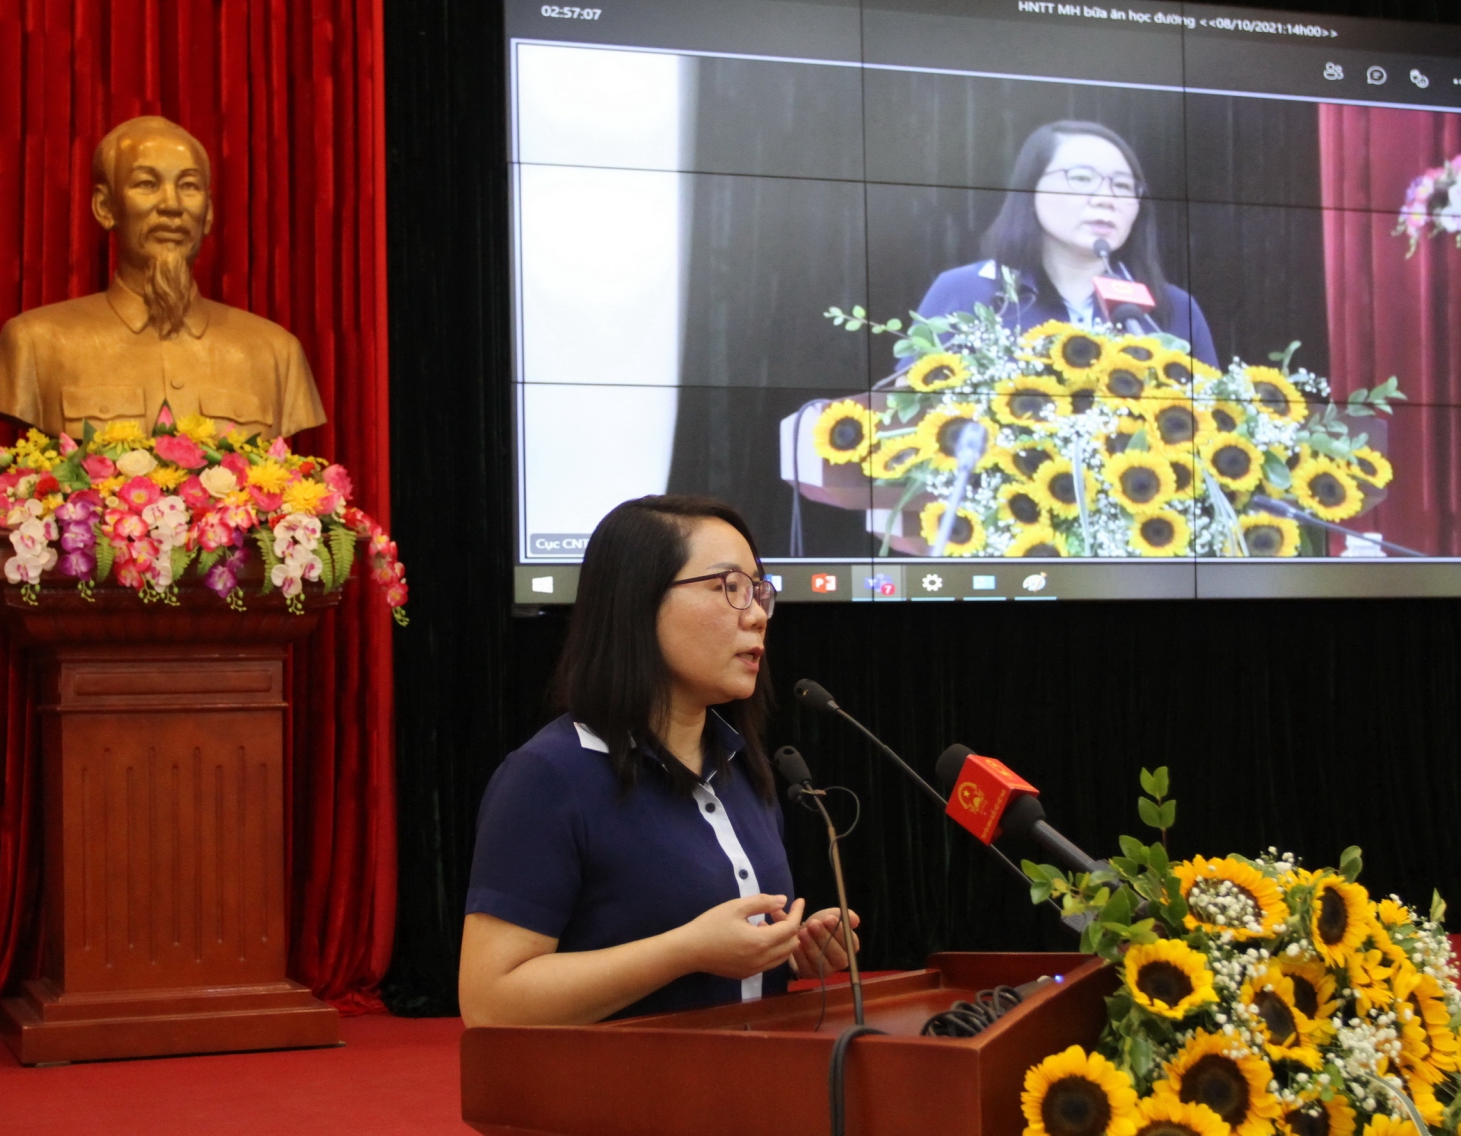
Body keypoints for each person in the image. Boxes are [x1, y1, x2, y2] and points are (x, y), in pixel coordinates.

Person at [459, 495, 859, 1026]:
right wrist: (685, 950)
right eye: (730, 589)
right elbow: (491, 1003)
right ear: (638, 603)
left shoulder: (741, 771)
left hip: (752, 1094)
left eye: (760, 591)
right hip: (621, 1101)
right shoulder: (549, 776)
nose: (759, 615)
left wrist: (789, 952)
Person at [0, 115, 326, 440]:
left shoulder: (275, 353)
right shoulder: (36, 343)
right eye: (147, 184)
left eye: (189, 186)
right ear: (105, 207)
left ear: (208, 213)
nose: (172, 205)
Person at [914, 120, 1219, 368]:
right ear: (1031, 190)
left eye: (1123, 186)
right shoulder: (964, 292)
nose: (1106, 199)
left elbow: (1212, 425)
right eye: (1082, 179)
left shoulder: (1174, 308)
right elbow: (909, 414)